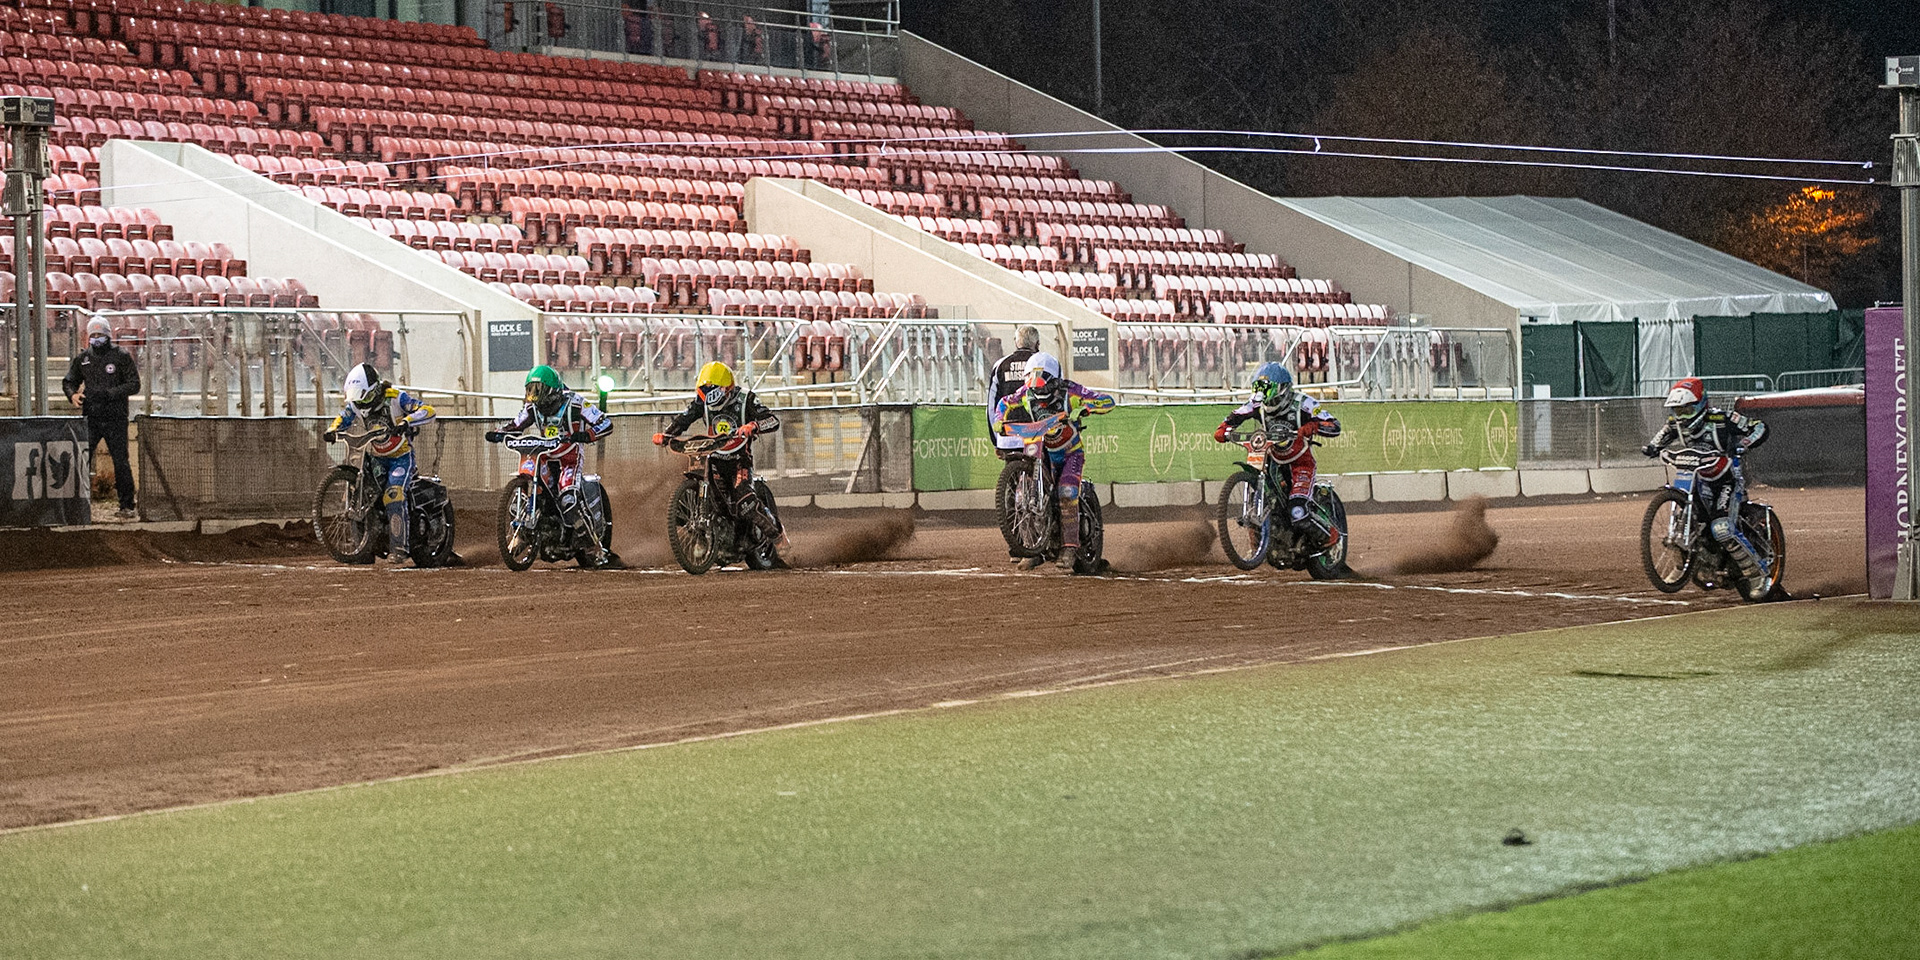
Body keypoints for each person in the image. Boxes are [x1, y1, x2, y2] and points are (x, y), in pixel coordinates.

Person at [993, 351, 1116, 571]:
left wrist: (1084, 408)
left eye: (1043, 385)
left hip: (1070, 453)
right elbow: (1004, 403)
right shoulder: (1025, 393)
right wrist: (999, 421)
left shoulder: (1072, 391)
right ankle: (1032, 547)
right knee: (1023, 494)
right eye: (1034, 385)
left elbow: (1107, 401)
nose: (1038, 390)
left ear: (1054, 381)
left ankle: (1069, 547)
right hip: (1042, 450)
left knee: (1067, 492)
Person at [1642, 376, 1770, 585]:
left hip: (1726, 479)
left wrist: (1744, 443)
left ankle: (1758, 574)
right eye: (1678, 410)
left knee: (1722, 528)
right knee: (1687, 521)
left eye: (1687, 409)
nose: (1682, 416)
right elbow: (1660, 437)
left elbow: (1759, 427)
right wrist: (1652, 448)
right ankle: (1680, 565)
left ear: (1701, 403)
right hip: (1696, 477)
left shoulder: (1723, 419)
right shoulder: (1675, 424)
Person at [653, 361, 788, 552]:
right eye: (704, 390)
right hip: (714, 456)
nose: (706, 395)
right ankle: (706, 537)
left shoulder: (746, 399)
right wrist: (666, 435)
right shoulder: (702, 402)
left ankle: (777, 536)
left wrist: (753, 426)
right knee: (703, 500)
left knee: (745, 501)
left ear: (725, 388)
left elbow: (772, 420)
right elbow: (685, 419)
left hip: (740, 459)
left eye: (711, 389)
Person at [492, 365, 616, 567]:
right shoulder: (532, 407)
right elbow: (516, 424)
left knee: (568, 499)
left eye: (537, 390)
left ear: (550, 390)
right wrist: (500, 432)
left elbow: (605, 423)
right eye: (530, 390)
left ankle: (594, 547)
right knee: (527, 494)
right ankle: (523, 532)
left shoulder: (575, 403)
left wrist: (586, 435)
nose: (533, 396)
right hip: (544, 456)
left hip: (569, 458)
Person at [1212, 362, 1342, 551]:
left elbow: (1334, 425)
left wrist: (1313, 426)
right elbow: (1235, 416)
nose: (1262, 395)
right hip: (1273, 460)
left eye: (1267, 389)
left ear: (1281, 388)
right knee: (1264, 495)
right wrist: (1224, 429)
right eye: (1259, 389)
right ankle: (1259, 545)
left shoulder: (1304, 403)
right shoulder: (1257, 404)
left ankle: (1330, 534)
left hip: (1300, 464)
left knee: (1297, 511)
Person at [323, 362, 436, 563]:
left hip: (400, 458)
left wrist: (406, 422)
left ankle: (399, 548)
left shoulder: (395, 397)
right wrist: (332, 430)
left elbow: (427, 410)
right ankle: (363, 549)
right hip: (375, 458)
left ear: (374, 390)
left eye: (364, 397)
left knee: (393, 494)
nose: (361, 404)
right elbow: (343, 418)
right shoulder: (356, 405)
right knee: (361, 496)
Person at [62, 317, 141, 519]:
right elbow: (69, 381)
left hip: (115, 417)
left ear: (108, 335)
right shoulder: (83, 359)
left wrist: (111, 394)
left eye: (100, 335)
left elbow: (134, 384)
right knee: (83, 460)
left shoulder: (121, 356)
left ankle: (127, 505)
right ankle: (77, 505)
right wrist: (73, 395)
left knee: (121, 461)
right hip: (91, 418)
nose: (97, 339)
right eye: (93, 335)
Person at [987, 326, 1042, 459]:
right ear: (1037, 344)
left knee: (1011, 476)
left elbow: (991, 407)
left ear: (1016, 342)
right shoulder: (1044, 363)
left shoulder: (1000, 365)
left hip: (1008, 437)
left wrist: (996, 441)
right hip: (1038, 435)